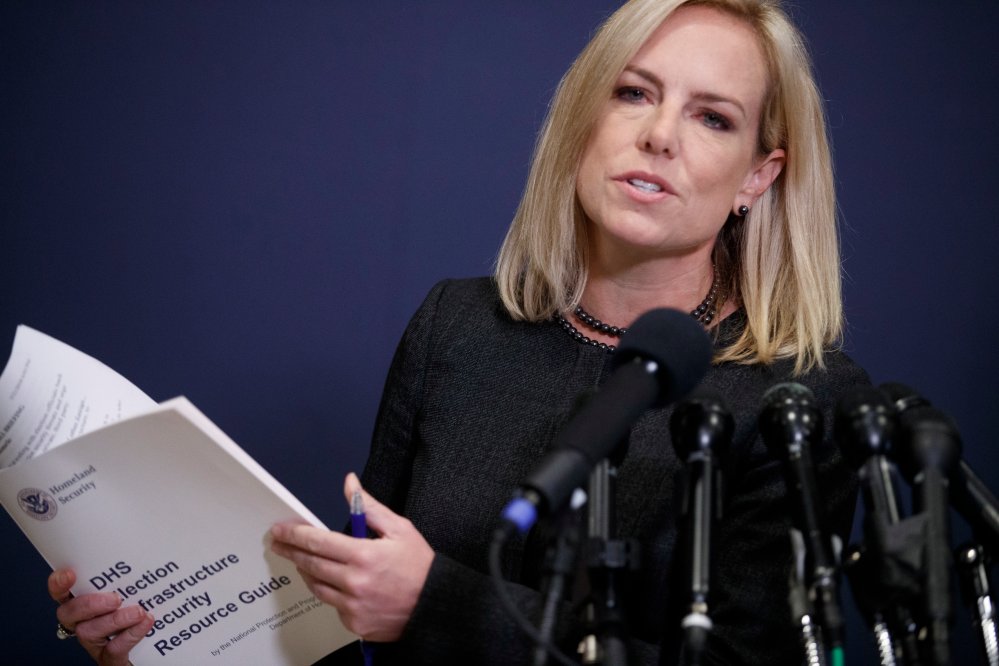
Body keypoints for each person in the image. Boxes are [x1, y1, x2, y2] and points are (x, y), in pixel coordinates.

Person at [47, 0, 869, 663]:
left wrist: (436, 604)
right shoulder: (458, 328)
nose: (659, 134)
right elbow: (347, 632)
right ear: (585, 118)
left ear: (757, 178)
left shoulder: (802, 403)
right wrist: (175, 641)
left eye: (712, 118)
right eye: (633, 92)